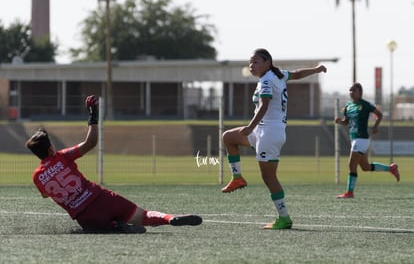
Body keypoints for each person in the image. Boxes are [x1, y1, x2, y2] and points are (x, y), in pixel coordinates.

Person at [25, 95, 202, 233]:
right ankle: (170, 219)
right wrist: (93, 116)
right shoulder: (62, 157)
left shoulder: (37, 177)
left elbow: (47, 195)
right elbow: (90, 143)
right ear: (50, 149)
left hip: (85, 217)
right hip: (100, 198)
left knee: (96, 229)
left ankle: (117, 227)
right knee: (144, 215)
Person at [221, 48, 327, 230]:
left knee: (269, 178)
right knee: (229, 137)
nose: (251, 66)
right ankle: (237, 177)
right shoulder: (277, 75)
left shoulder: (267, 80)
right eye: (250, 62)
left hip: (269, 133)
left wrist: (250, 127)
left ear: (267, 63)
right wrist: (316, 69)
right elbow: (297, 74)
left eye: (256, 62)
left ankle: (284, 218)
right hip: (263, 131)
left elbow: (264, 105)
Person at [335, 83, 400, 198]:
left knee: (351, 164)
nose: (351, 92)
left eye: (353, 90)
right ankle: (391, 168)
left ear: (360, 92)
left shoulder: (365, 105)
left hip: (362, 139)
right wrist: (340, 121)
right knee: (365, 167)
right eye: (350, 90)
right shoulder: (348, 106)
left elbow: (379, 114)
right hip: (354, 139)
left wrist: (375, 126)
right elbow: (346, 121)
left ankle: (350, 192)